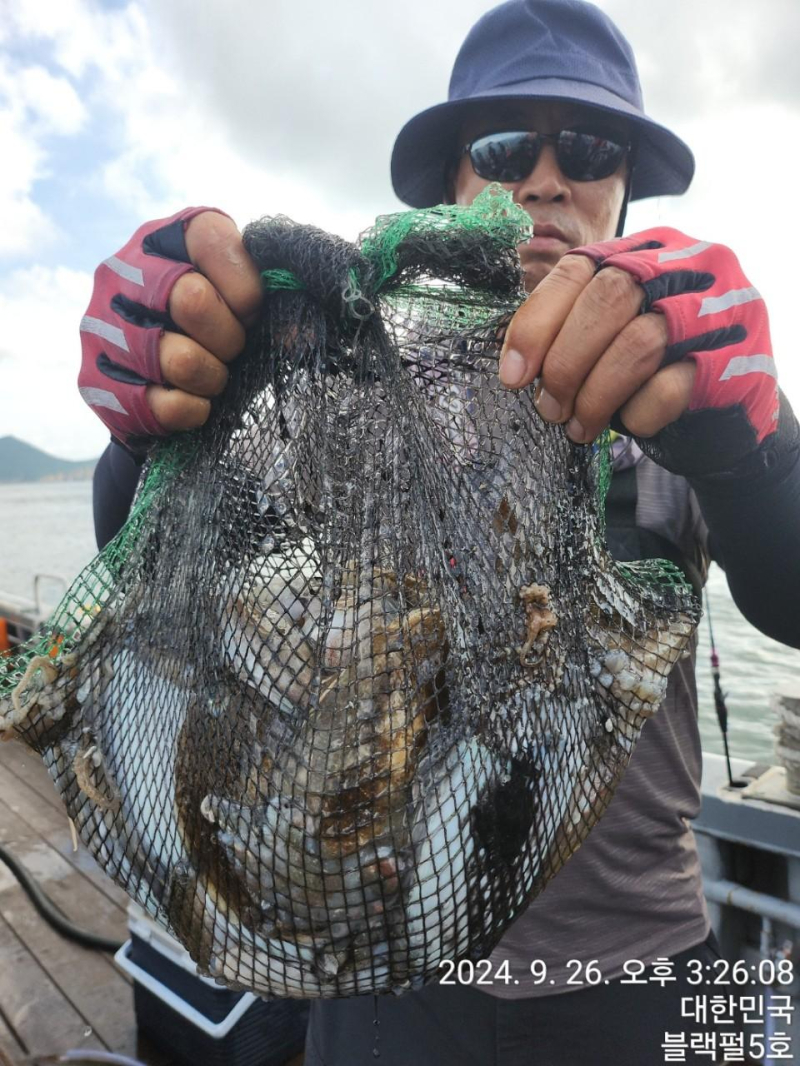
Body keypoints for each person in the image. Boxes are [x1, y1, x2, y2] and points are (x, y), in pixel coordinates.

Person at [79, 1, 800, 1062]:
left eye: (588, 148)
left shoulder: (679, 401)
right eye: (505, 146)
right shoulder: (344, 403)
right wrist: (146, 435)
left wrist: (758, 450)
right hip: (383, 965)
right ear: (460, 185)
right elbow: (153, 572)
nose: (545, 179)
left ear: (620, 190)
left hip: (641, 968)